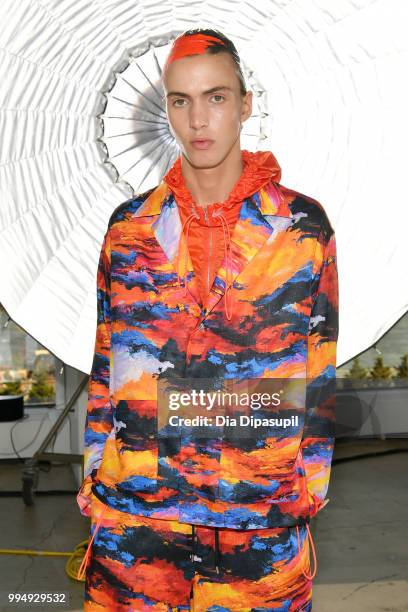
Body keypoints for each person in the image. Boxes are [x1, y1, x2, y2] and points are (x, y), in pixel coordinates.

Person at [77, 28, 339, 611]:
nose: (198, 119)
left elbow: (318, 372)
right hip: (135, 514)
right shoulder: (129, 229)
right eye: (180, 100)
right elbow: (105, 360)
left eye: (216, 97)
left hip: (256, 516)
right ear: (166, 107)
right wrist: (96, 470)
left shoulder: (302, 227)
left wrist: (309, 491)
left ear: (245, 105)